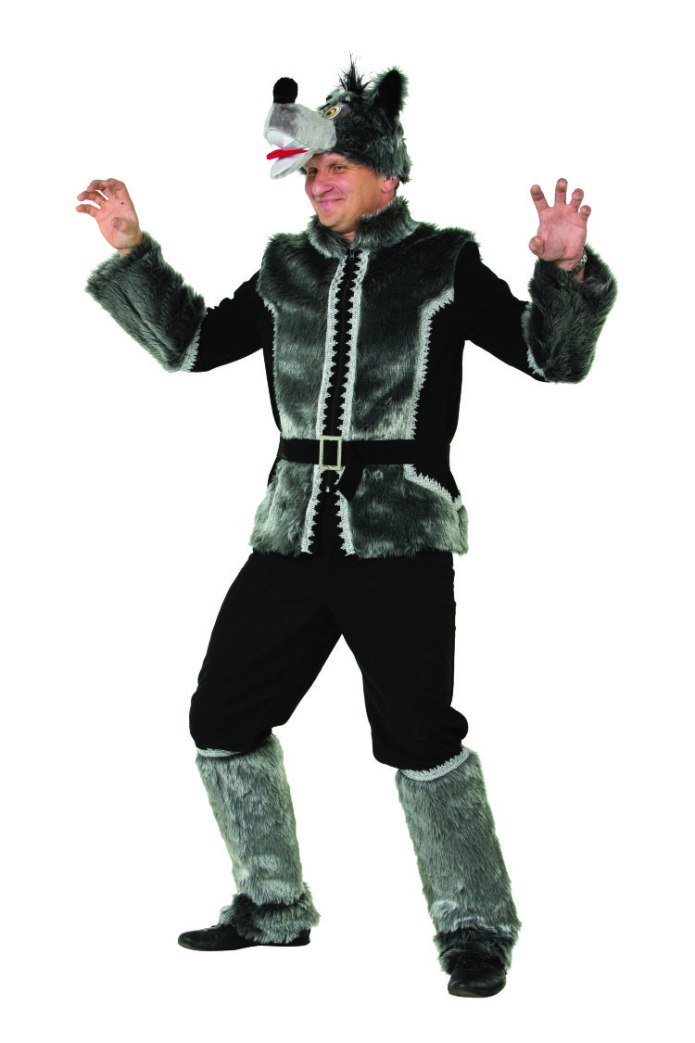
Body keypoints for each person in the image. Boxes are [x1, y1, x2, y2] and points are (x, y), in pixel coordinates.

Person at [76, 62, 617, 998]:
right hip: (291, 535)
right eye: (311, 171)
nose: (318, 183)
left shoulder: (442, 262)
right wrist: (132, 251)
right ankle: (272, 905)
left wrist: (565, 270)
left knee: (417, 734)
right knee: (221, 715)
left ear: (386, 173)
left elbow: (550, 358)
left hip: (400, 537)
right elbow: (193, 344)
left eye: (336, 167)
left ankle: (474, 925)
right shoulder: (284, 268)